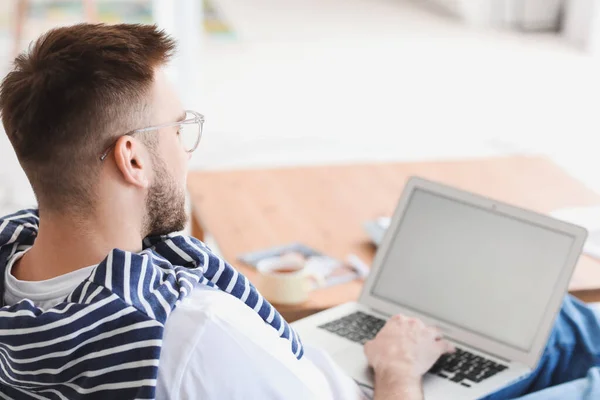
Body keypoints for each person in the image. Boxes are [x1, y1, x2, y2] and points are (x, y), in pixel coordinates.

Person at [0, 23, 599, 400]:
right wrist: (396, 370)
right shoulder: (190, 333)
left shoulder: (17, 260)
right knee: (572, 351)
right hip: (391, 388)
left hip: (310, 363)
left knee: (556, 319)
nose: (186, 151)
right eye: (179, 129)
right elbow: (207, 345)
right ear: (131, 158)